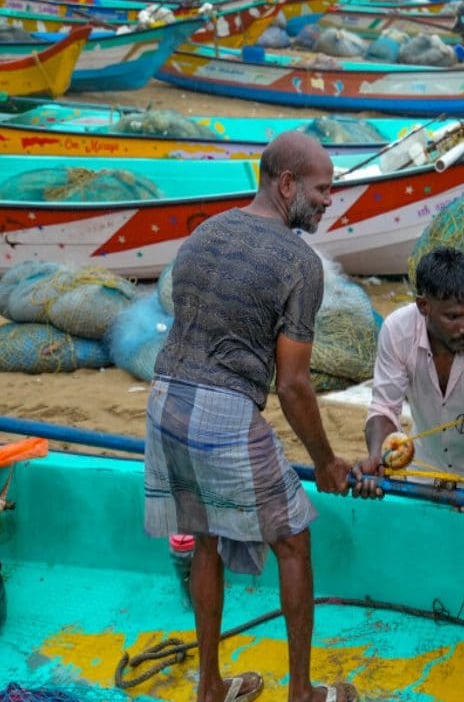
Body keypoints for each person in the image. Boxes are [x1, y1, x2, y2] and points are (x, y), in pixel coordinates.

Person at [144, 131, 356, 702]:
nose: (328, 200)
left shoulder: (204, 233)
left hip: (164, 400)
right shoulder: (299, 263)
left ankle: (210, 687)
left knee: (206, 536)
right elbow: (292, 385)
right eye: (322, 189)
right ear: (286, 184)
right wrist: (328, 462)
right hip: (220, 410)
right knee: (292, 541)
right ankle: (303, 693)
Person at [354, 247, 464, 522]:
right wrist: (377, 455)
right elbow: (384, 408)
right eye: (453, 317)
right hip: (425, 470)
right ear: (424, 306)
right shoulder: (397, 330)